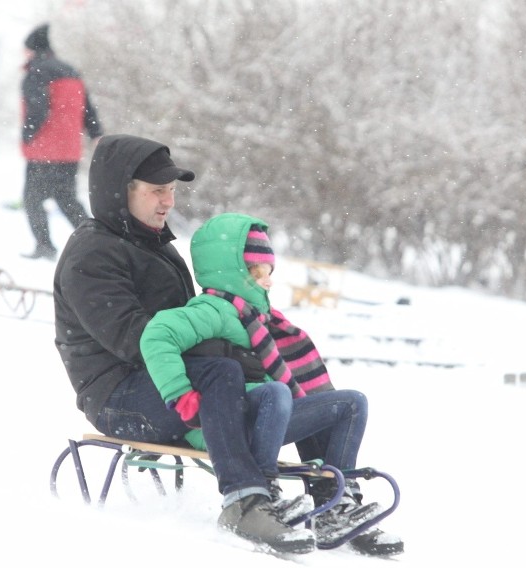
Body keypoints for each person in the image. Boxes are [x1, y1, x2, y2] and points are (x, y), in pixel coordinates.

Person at [140, 213, 403, 556]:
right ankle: (261, 493)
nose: (267, 281)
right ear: (230, 271)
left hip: (267, 416)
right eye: (256, 272)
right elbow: (158, 334)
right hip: (229, 423)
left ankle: (334, 502)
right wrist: (180, 395)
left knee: (351, 403)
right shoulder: (214, 309)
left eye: (269, 272)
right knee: (278, 391)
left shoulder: (261, 319)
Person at [19, 23, 104, 260]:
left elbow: (37, 108)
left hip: (43, 150)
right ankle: (98, 243)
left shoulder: (36, 72)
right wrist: (96, 133)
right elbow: (88, 108)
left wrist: (27, 136)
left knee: (32, 199)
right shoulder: (72, 71)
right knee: (66, 198)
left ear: (33, 50)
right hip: (69, 151)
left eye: (25, 50)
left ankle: (45, 245)